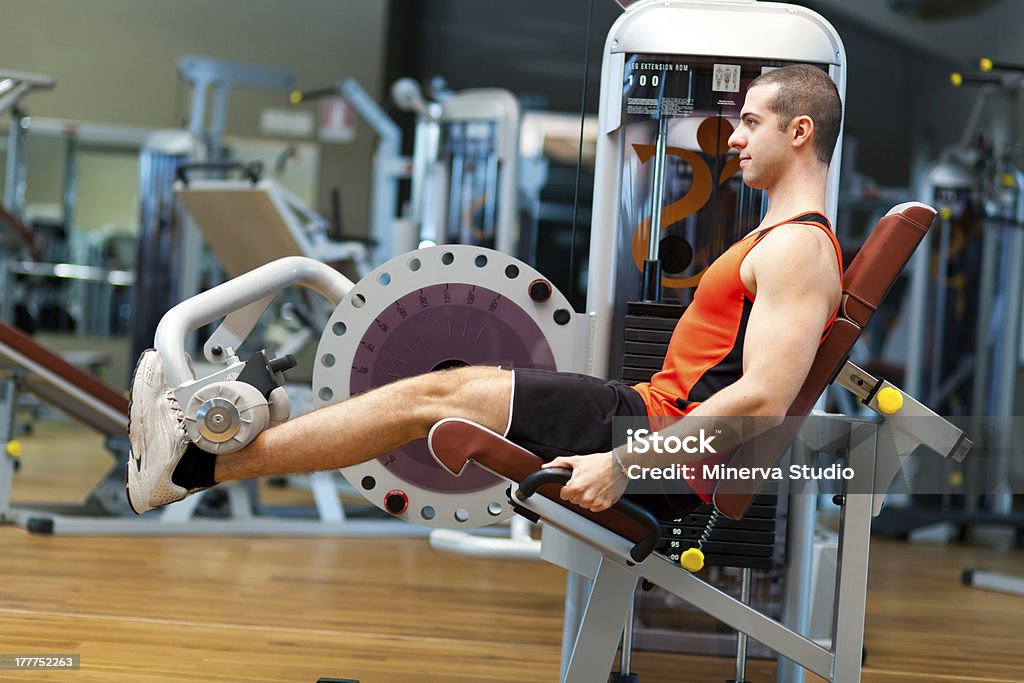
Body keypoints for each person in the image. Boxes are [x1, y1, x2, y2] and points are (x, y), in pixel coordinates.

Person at [127, 64, 843, 521]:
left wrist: (626, 462)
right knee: (432, 393)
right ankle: (196, 464)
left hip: (649, 435)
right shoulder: (780, 241)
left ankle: (195, 465)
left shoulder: (800, 249)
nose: (736, 138)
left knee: (431, 397)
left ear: (800, 129)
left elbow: (762, 401)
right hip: (647, 420)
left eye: (752, 121)